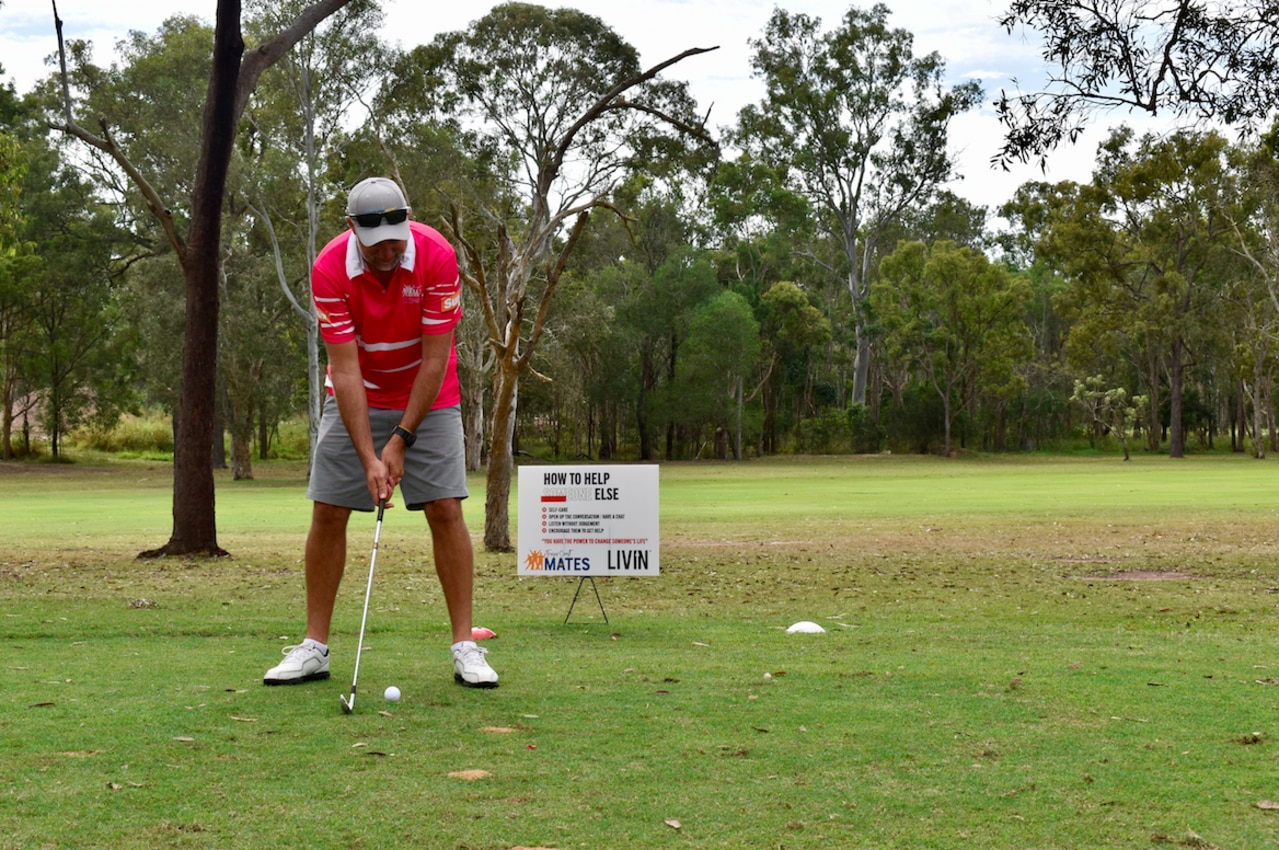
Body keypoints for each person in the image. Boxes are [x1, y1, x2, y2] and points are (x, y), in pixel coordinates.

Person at [264, 177, 498, 689]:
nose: (389, 251)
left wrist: (400, 440)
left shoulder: (435, 255)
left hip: (428, 396)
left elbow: (436, 359)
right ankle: (314, 648)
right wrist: (371, 457)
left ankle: (465, 647)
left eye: (396, 239)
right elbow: (344, 371)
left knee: (446, 508)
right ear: (352, 231)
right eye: (377, 245)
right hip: (357, 393)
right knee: (328, 510)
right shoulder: (330, 268)